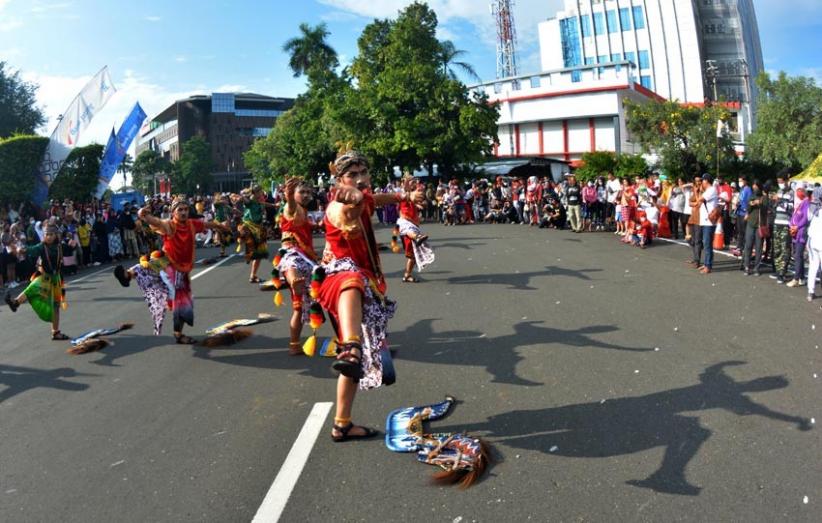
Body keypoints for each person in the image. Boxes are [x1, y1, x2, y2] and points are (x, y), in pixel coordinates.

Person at [316, 149, 423, 442]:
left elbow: (377, 199)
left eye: (364, 173)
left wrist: (405, 197)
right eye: (352, 175)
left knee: (354, 366)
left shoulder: (365, 197)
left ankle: (342, 424)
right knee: (352, 281)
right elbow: (342, 211)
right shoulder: (338, 205)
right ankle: (350, 346)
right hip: (339, 283)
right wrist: (350, 199)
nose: (361, 179)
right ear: (338, 180)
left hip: (365, 285)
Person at [114, 198, 229, 343]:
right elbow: (156, 222)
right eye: (180, 210)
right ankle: (178, 334)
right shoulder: (169, 225)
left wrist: (221, 226)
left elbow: (207, 224)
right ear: (173, 212)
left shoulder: (192, 224)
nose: (183, 212)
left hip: (181, 267)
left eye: (185, 209)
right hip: (168, 264)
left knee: (156, 272)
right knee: (179, 299)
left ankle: (129, 275)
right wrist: (143, 214)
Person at [275, 178, 320, 356]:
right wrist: (289, 196)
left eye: (309, 192)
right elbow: (290, 207)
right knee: (291, 264)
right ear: (293, 194)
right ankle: (293, 280)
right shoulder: (291, 208)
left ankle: (294, 345)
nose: (307, 195)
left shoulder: (305, 211)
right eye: (302, 192)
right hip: (293, 255)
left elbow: (307, 226)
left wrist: (319, 225)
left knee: (299, 308)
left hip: (307, 260)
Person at [5, 224, 70, 340]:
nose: (48, 237)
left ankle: (55, 332)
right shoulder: (41, 246)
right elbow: (31, 250)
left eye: (51, 234)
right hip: (46, 278)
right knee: (32, 288)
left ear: (56, 235)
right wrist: (22, 250)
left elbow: (67, 249)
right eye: (46, 234)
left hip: (56, 279)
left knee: (55, 307)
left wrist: (71, 244)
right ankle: (15, 303)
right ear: (43, 235)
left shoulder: (59, 245)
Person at [395, 176, 434, 282]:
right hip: (406, 223)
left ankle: (407, 275)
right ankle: (417, 237)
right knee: (410, 231)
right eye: (412, 182)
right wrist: (407, 180)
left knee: (411, 257)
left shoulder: (412, 196)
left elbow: (417, 201)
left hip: (413, 224)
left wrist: (420, 205)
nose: (415, 183)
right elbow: (406, 188)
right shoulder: (404, 194)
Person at [238, 186, 277, 283]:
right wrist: (242, 198)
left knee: (259, 254)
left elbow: (264, 204)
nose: (261, 193)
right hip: (250, 227)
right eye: (259, 192)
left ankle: (253, 275)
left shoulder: (259, 201)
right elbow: (246, 201)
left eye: (261, 191)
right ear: (254, 193)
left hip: (259, 228)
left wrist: (274, 205)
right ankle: (247, 250)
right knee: (255, 252)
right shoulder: (250, 201)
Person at [770, 172, 794, 284]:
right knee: (777, 248)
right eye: (778, 182)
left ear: (786, 181)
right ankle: (778, 270)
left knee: (785, 249)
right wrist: (774, 201)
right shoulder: (778, 192)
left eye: (781, 181)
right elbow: (774, 208)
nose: (780, 184)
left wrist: (779, 201)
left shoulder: (791, 193)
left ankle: (782, 273)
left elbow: (790, 207)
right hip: (776, 222)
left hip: (786, 223)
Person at [787, 187, 810, 288]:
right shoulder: (800, 203)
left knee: (798, 255)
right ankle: (802, 277)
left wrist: (797, 226)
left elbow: (805, 218)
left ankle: (796, 279)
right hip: (795, 232)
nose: (798, 194)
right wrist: (791, 225)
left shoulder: (806, 203)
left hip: (801, 233)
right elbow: (794, 216)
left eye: (799, 192)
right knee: (797, 255)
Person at [697, 174, 717, 274]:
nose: (701, 183)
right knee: (706, 244)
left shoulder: (711, 190)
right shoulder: (708, 191)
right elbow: (698, 203)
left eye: (702, 181)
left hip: (709, 222)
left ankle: (708, 266)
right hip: (705, 221)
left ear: (706, 181)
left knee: (707, 244)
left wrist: (700, 191)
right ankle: (706, 264)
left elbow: (700, 200)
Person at [805, 187, 822, 302]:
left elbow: (808, 219)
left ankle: (810, 292)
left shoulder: (813, 208)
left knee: (813, 266)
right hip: (820, 242)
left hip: (812, 241)